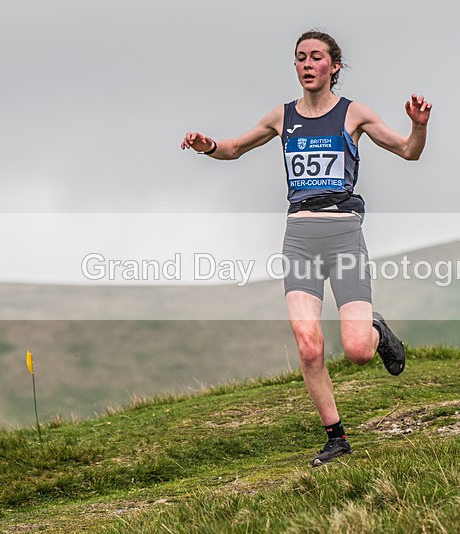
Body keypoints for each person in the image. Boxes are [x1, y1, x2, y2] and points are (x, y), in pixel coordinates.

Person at [181, 30, 432, 466]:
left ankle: (375, 328)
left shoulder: (354, 114)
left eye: (316, 57)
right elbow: (234, 148)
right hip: (299, 238)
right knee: (308, 345)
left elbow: (410, 152)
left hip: (343, 234)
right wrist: (208, 147)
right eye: (301, 58)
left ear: (334, 66)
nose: (307, 64)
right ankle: (336, 437)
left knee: (357, 351)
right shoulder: (281, 117)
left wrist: (419, 126)